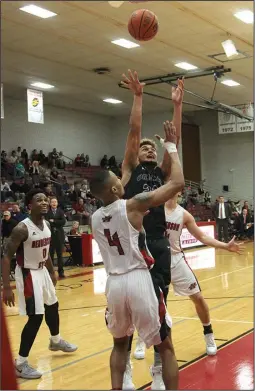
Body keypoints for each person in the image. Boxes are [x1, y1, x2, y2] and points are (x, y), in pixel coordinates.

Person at [90, 122, 184, 390]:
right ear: (116, 189)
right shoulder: (133, 205)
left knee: (119, 346)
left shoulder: (94, 218)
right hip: (140, 278)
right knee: (165, 346)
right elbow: (177, 183)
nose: (121, 179)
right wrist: (171, 148)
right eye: (117, 179)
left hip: (113, 284)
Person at [120, 69, 184, 389]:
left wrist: (177, 105)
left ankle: (159, 366)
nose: (149, 149)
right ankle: (127, 364)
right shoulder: (130, 170)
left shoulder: (160, 174)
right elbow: (134, 131)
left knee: (161, 304)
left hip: (157, 243)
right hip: (133, 243)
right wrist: (138, 97)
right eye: (145, 148)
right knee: (129, 306)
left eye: (152, 148)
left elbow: (175, 141)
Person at [135, 192, 244, 366]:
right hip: (156, 259)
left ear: (179, 191)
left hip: (176, 259)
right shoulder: (155, 209)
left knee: (198, 298)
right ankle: (142, 339)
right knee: (150, 303)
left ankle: (208, 333)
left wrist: (224, 246)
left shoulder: (184, 214)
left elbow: (202, 236)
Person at [2, 189, 78, 380]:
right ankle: (20, 364)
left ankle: (55, 340)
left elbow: (45, 249)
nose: (45, 202)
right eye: (39, 200)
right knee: (35, 317)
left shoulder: (46, 225)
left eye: (46, 199)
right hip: (28, 273)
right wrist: (6, 287)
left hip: (42, 270)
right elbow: (6, 257)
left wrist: (51, 271)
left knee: (53, 306)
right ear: (29, 205)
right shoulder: (22, 228)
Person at [46, 197, 66, 278]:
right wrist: (57, 222)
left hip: (59, 236)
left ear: (57, 203)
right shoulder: (47, 212)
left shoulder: (60, 211)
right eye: (52, 202)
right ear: (50, 204)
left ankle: (61, 272)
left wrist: (54, 221)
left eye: (55, 202)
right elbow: (47, 222)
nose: (54, 203)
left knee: (60, 255)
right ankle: (50, 272)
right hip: (50, 237)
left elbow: (63, 222)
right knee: (50, 255)